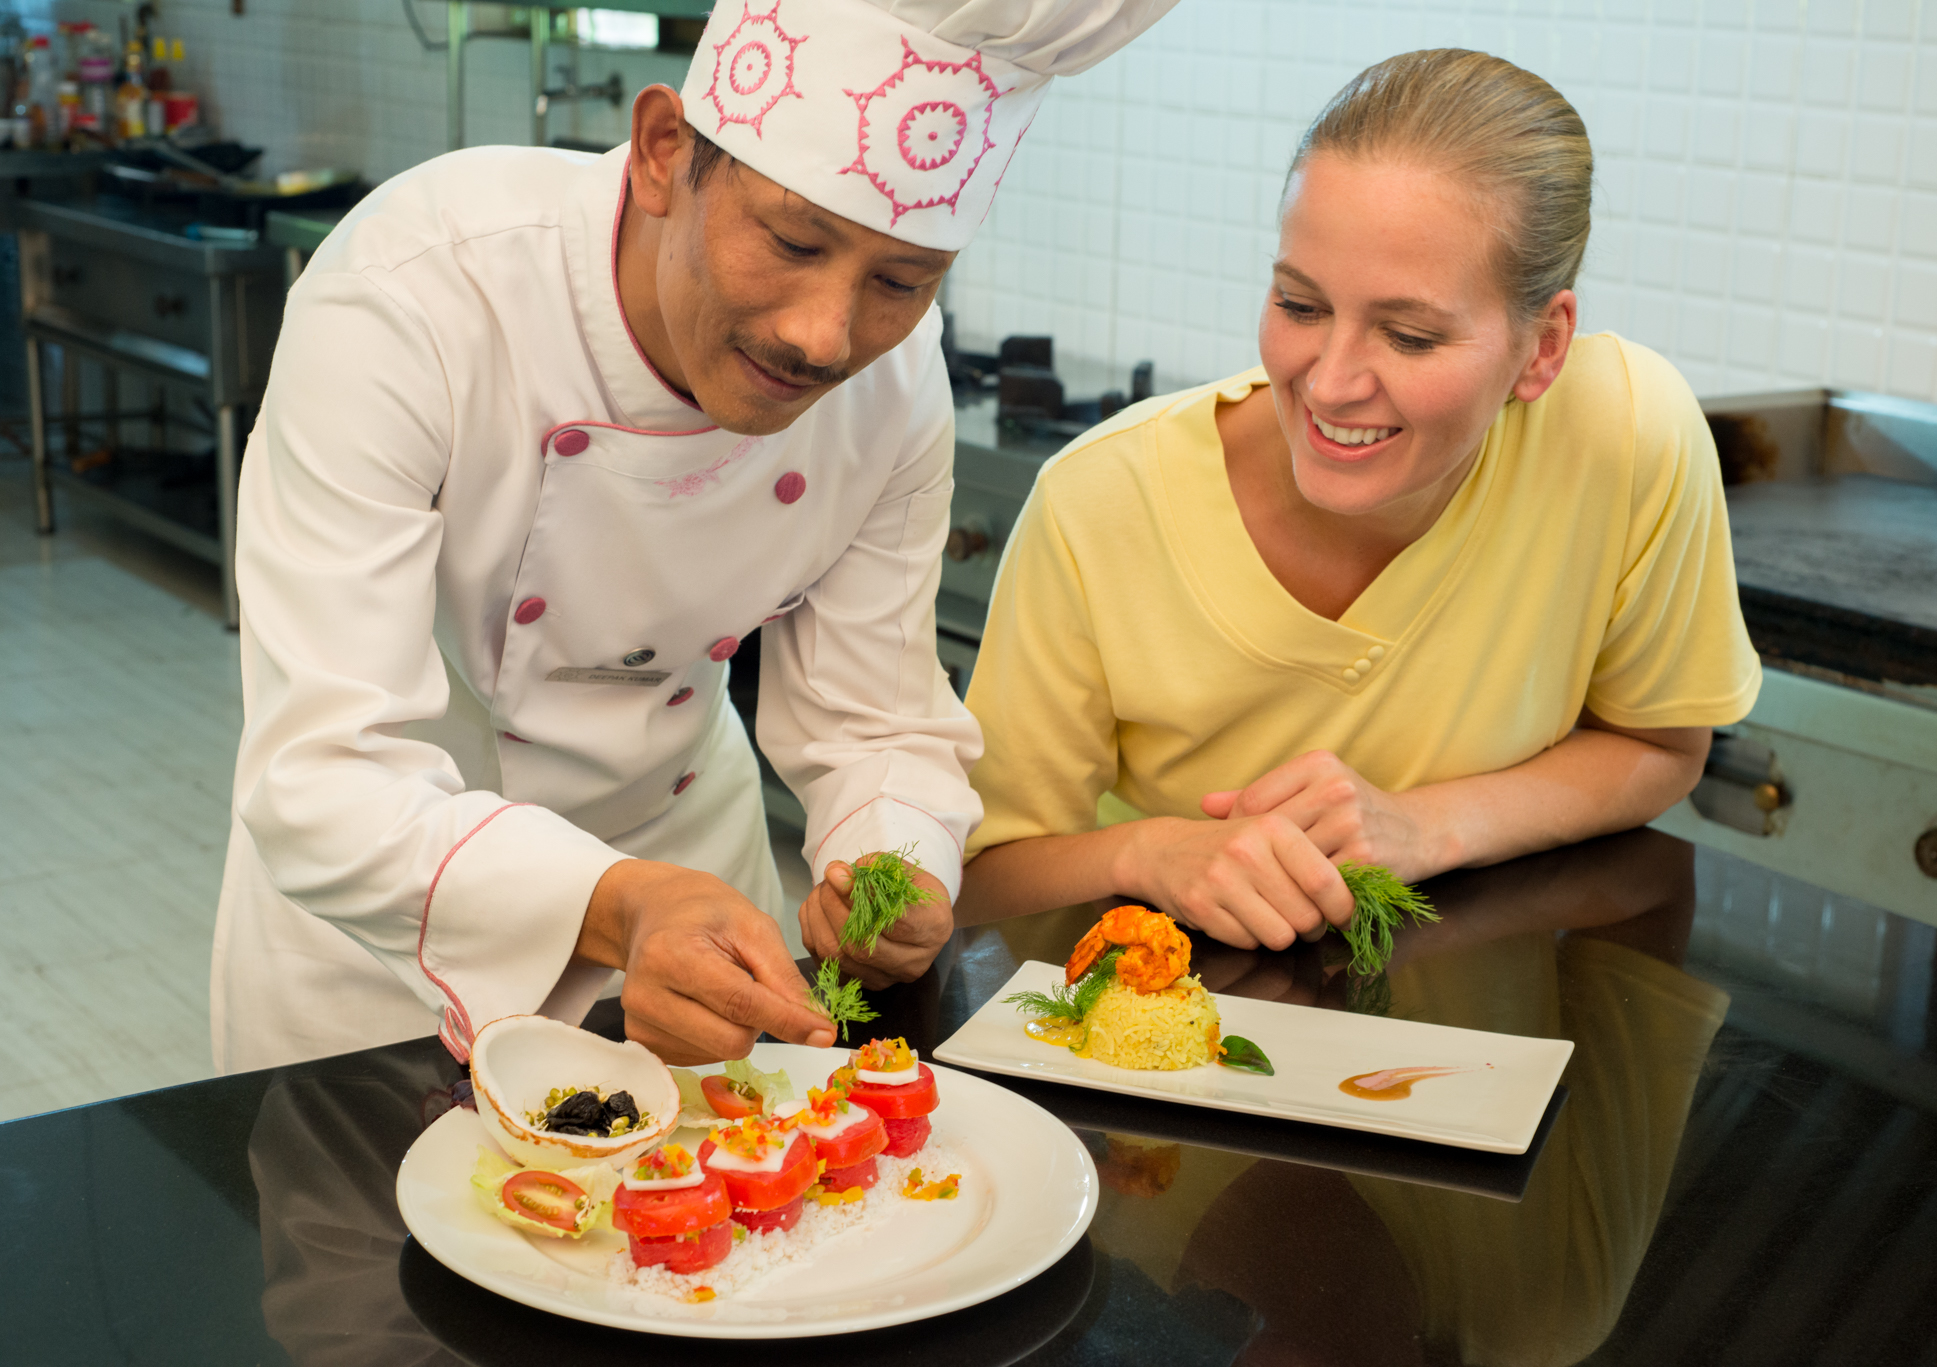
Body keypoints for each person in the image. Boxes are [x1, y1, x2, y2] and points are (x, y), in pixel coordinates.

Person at [212, 0, 1178, 1073]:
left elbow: (878, 718)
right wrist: (617, 904)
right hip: (385, 908)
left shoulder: (896, 388)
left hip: (692, 876)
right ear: (664, 151)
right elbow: (323, 772)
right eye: (792, 241)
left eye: (900, 282)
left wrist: (893, 866)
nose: (825, 333)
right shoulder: (415, 292)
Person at [957, 50, 1761, 943]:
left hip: (1481, 1038)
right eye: (1299, 305)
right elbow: (979, 885)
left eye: (1409, 336)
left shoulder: (1628, 434)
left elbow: (1662, 747)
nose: (1331, 384)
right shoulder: (1100, 500)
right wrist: (1150, 853)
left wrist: (1425, 825)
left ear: (1542, 348)